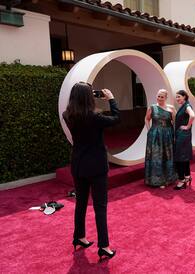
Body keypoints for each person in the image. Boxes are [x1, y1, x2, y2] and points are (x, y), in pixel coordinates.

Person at [63, 82, 119, 260]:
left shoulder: (67, 115)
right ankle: (104, 246)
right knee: (100, 207)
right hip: (96, 166)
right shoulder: (95, 117)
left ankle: (79, 237)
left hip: (78, 164)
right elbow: (117, 118)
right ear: (89, 97)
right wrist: (111, 99)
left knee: (80, 204)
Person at [144, 89, 178, 188]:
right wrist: (149, 129)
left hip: (167, 135)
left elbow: (175, 121)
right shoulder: (152, 108)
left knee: (167, 155)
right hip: (155, 135)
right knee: (156, 156)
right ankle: (156, 180)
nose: (159, 98)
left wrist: (174, 133)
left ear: (166, 98)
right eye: (158, 96)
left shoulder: (171, 108)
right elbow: (147, 118)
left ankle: (168, 178)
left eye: (162, 97)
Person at [173, 90, 195, 190]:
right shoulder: (184, 106)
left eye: (179, 97)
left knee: (179, 158)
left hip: (183, 135)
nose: (177, 99)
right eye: (176, 97)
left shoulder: (187, 106)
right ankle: (187, 177)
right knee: (184, 156)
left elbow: (193, 115)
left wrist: (187, 126)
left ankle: (181, 181)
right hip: (183, 135)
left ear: (184, 96)